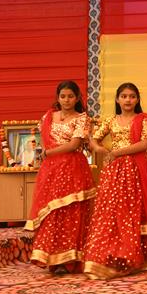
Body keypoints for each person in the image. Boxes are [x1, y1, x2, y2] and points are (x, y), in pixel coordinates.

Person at [84, 83, 147, 279]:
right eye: (124, 96)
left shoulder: (143, 120)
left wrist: (117, 152)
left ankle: (145, 256)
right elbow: (93, 138)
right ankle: (117, 254)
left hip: (138, 171)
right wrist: (99, 149)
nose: (128, 100)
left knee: (138, 210)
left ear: (137, 100)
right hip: (115, 173)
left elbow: (144, 144)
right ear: (117, 99)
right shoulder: (111, 120)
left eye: (132, 96)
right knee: (115, 211)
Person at [25, 81, 95, 273]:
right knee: (52, 213)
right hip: (51, 170)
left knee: (71, 212)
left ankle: (68, 260)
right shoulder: (48, 117)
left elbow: (74, 145)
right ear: (58, 98)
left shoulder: (82, 118)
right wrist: (45, 154)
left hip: (73, 169)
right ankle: (52, 258)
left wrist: (49, 153)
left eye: (70, 96)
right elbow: (42, 141)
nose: (66, 100)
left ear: (77, 98)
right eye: (63, 96)